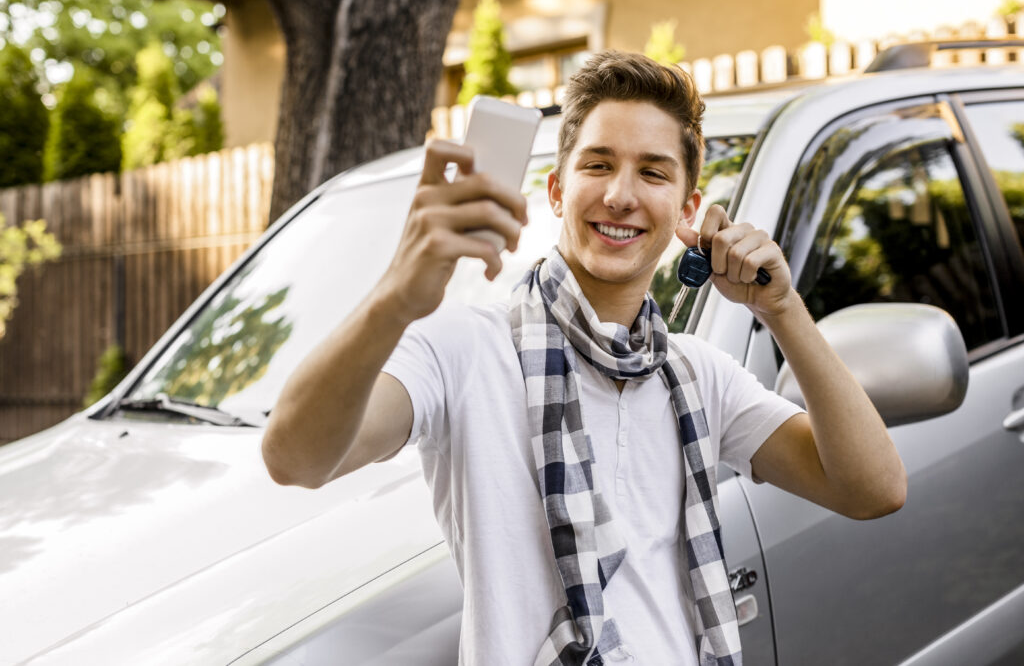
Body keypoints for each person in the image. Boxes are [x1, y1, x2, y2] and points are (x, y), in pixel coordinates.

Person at [261, 50, 907, 666]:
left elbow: (874, 488)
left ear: (687, 210)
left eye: (652, 172)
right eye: (597, 165)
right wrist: (397, 296)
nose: (622, 195)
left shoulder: (697, 375)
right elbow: (294, 456)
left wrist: (783, 308)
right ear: (556, 191)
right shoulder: (466, 350)